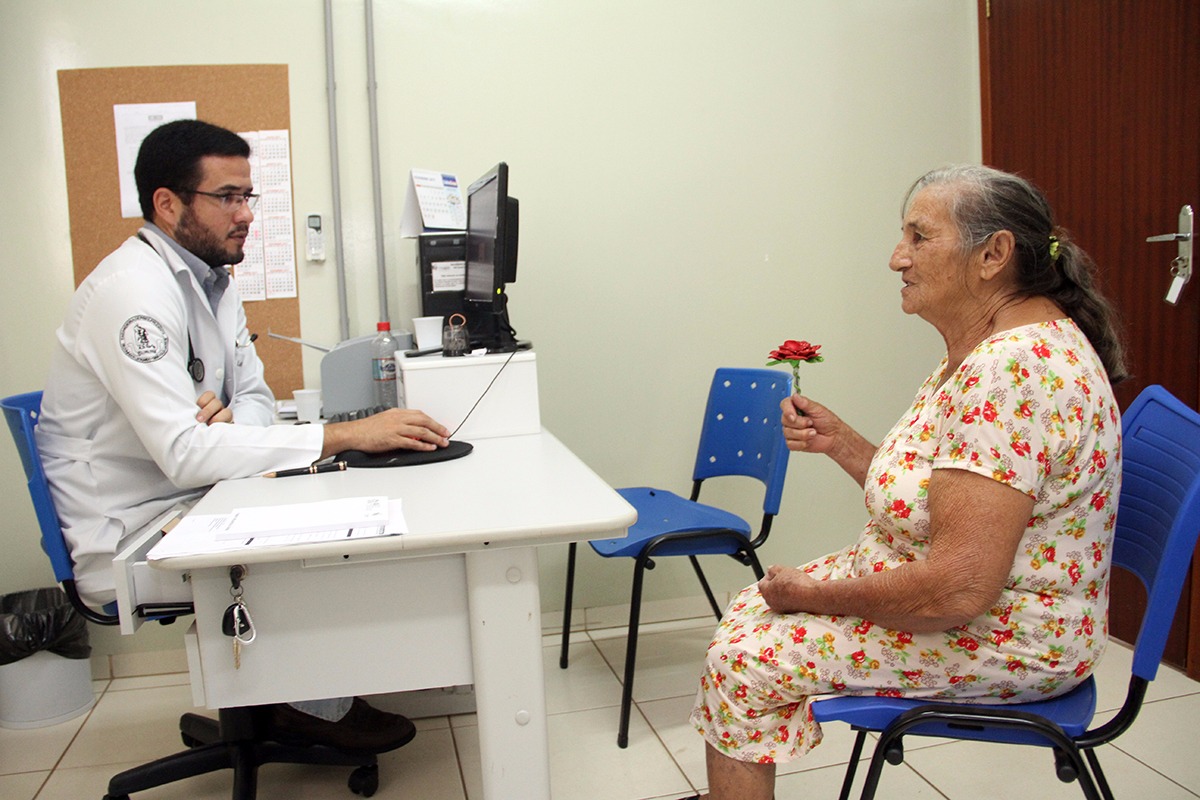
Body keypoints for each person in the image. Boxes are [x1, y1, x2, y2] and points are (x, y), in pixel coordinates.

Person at [689, 165, 1126, 799]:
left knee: (747, 656)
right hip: (987, 605)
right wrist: (846, 444)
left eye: (920, 237)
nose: (898, 258)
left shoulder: (1010, 372)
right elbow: (942, 498)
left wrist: (814, 595)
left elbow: (957, 591)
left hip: (1013, 635)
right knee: (750, 609)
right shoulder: (988, 347)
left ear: (993, 254)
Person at [37, 119, 451, 754]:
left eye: (248, 197)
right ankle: (309, 705)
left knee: (323, 505)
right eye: (227, 197)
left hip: (184, 498)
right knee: (320, 529)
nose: (246, 215)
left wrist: (228, 422)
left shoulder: (212, 282)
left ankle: (298, 695)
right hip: (129, 530)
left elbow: (254, 400)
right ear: (168, 203)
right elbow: (182, 453)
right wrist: (344, 434)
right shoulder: (133, 294)